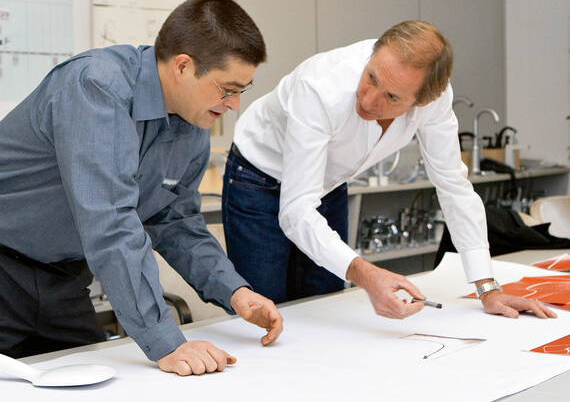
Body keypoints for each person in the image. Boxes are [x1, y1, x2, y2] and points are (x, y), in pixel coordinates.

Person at [0, 0, 283, 376]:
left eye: (241, 91)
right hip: (4, 269)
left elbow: (175, 221)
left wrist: (235, 291)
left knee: (97, 382)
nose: (233, 105)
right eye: (227, 89)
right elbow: (111, 221)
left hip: (64, 280)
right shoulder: (96, 87)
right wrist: (167, 343)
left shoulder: (192, 124)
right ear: (183, 66)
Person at [222, 20, 556, 321]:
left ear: (421, 101)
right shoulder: (321, 86)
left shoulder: (435, 101)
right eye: (371, 77)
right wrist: (366, 275)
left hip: (328, 183)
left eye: (392, 97)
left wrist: (487, 288)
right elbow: (296, 211)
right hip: (257, 178)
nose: (368, 101)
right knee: (264, 310)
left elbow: (453, 185)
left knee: (323, 306)